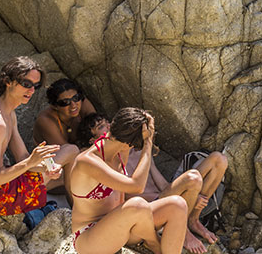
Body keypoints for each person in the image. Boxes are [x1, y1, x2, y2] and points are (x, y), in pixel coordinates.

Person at [67, 108, 188, 254]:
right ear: (130, 143)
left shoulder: (120, 148)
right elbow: (137, 186)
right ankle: (154, 243)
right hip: (90, 238)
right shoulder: (87, 161)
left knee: (178, 204)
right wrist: (147, 143)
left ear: (113, 126)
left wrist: (144, 119)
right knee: (137, 204)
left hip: (125, 225)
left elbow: (129, 123)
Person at [0, 57, 73, 216]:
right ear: (8, 81)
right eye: (26, 84)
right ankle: (77, 211)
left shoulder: (8, 112)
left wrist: (46, 168)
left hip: (1, 187)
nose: (31, 91)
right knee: (71, 150)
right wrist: (31, 162)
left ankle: (72, 205)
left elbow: (22, 156)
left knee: (61, 174)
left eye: (35, 86)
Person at [126, 147, 227, 252]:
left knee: (219, 160)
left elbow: (163, 185)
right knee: (192, 178)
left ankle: (193, 220)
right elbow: (127, 198)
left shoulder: (140, 150)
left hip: (162, 197)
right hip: (151, 207)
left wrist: (191, 194)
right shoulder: (116, 157)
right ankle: (184, 231)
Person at [34, 78, 99, 146]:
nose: (73, 105)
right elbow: (64, 150)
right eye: (65, 102)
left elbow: (100, 130)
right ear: (54, 106)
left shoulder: (82, 103)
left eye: (76, 98)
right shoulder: (46, 120)